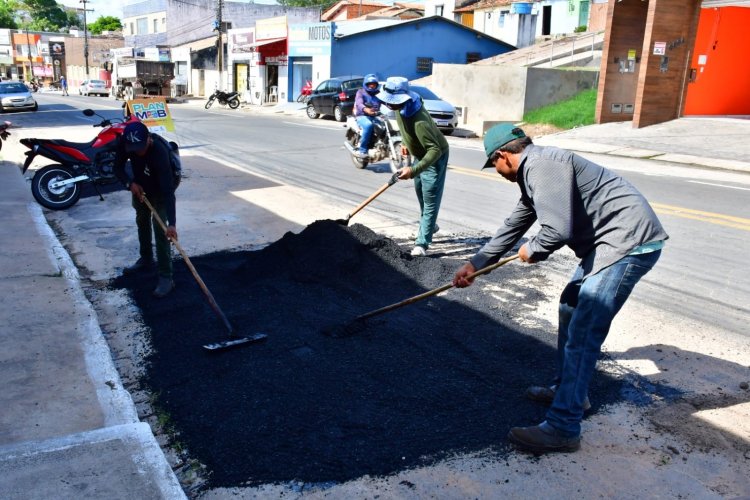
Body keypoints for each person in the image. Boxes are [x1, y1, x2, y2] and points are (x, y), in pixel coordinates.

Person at [452, 123, 668, 454]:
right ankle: (571, 392)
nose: (496, 171)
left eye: (493, 164)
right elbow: (518, 222)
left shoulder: (542, 165)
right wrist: (476, 264)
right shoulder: (533, 172)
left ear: (503, 156)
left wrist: (535, 248)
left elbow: (556, 230)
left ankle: (564, 426)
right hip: (607, 244)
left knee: (584, 330)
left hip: (628, 243)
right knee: (570, 307)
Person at [376, 77, 449, 256]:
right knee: (420, 192)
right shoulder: (402, 108)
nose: (389, 104)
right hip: (420, 153)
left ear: (404, 98)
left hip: (434, 156)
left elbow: (435, 150)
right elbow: (404, 128)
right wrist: (406, 144)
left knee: (430, 196)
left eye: (392, 101)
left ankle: (422, 244)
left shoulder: (420, 120)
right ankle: (430, 225)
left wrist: (413, 170)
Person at [114, 121, 178, 298]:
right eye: (134, 149)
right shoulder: (126, 143)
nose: (138, 151)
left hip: (161, 189)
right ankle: (146, 259)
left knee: (160, 229)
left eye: (141, 147)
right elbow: (117, 168)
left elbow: (168, 191)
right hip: (140, 185)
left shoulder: (159, 152)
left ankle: (166, 276)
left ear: (149, 139)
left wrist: (172, 224)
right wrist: (130, 184)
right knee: (141, 221)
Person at [352, 74, 382, 159]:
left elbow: (386, 102)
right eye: (370, 84)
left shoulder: (378, 93)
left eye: (374, 84)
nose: (372, 86)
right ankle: (362, 150)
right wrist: (365, 109)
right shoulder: (361, 92)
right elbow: (359, 103)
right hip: (362, 116)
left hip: (375, 116)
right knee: (369, 125)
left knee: (386, 126)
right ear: (366, 84)